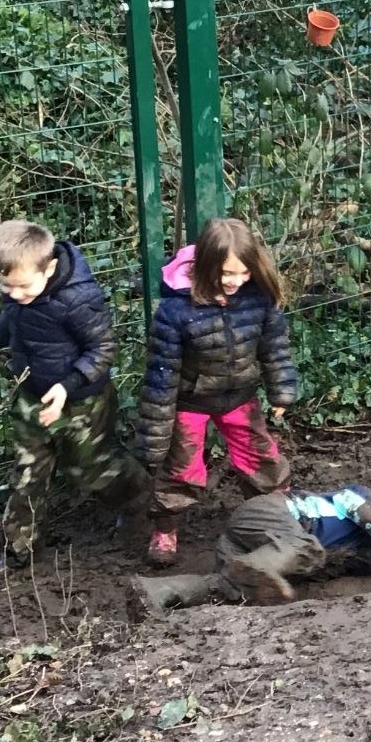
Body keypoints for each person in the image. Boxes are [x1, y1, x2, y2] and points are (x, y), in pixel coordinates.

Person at [0, 220, 145, 573]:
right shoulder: (18, 290)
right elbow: (12, 319)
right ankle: (19, 550)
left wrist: (66, 386)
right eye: (6, 285)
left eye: (23, 287)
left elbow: (103, 349)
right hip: (32, 395)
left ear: (50, 267)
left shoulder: (78, 299)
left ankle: (137, 498)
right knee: (28, 473)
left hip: (82, 400)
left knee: (88, 468)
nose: (14, 294)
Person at [135, 216, 299, 567]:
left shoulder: (258, 298)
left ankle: (277, 516)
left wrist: (281, 390)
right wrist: (155, 435)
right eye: (227, 274)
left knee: (261, 458)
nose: (236, 282)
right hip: (190, 401)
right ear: (207, 265)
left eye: (243, 273)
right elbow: (162, 374)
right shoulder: (176, 310)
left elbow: (275, 346)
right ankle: (165, 531)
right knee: (181, 467)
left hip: (239, 395)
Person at [125, 470, 371, 618]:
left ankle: (159, 592)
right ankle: (256, 568)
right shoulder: (359, 497)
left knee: (231, 588)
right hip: (270, 514)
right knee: (307, 549)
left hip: (255, 549)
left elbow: (329, 574)